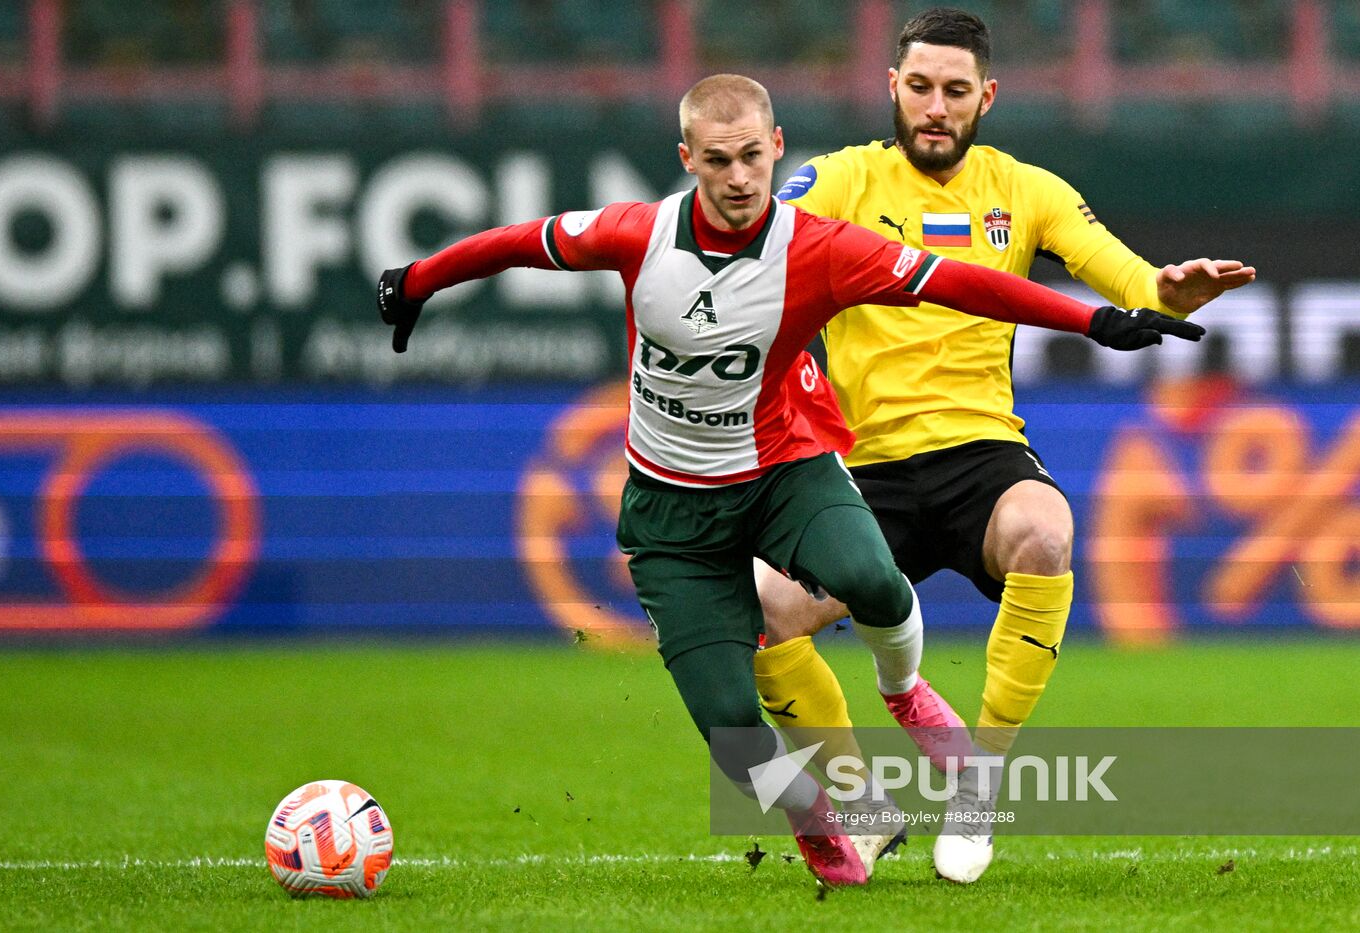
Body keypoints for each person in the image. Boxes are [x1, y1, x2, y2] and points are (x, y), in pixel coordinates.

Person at [374, 73, 1203, 887]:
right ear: (687, 158)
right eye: (717, 161)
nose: (738, 179)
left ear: (775, 149)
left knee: (874, 580)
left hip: (783, 474)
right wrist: (416, 282)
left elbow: (954, 281)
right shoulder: (638, 235)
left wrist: (1093, 317)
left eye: (751, 158)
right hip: (671, 515)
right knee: (736, 738)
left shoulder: (817, 248)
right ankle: (837, 812)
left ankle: (908, 695)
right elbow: (522, 241)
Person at [753, 7, 1257, 884]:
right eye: (919, 88)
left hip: (981, 453)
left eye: (955, 91)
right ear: (891, 89)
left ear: (986, 96)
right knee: (767, 610)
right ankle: (862, 805)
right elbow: (766, 236)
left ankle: (977, 788)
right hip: (861, 470)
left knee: (1047, 532)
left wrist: (1174, 291)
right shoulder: (839, 179)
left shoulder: (1029, 191)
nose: (935, 108)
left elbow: (1131, 284)